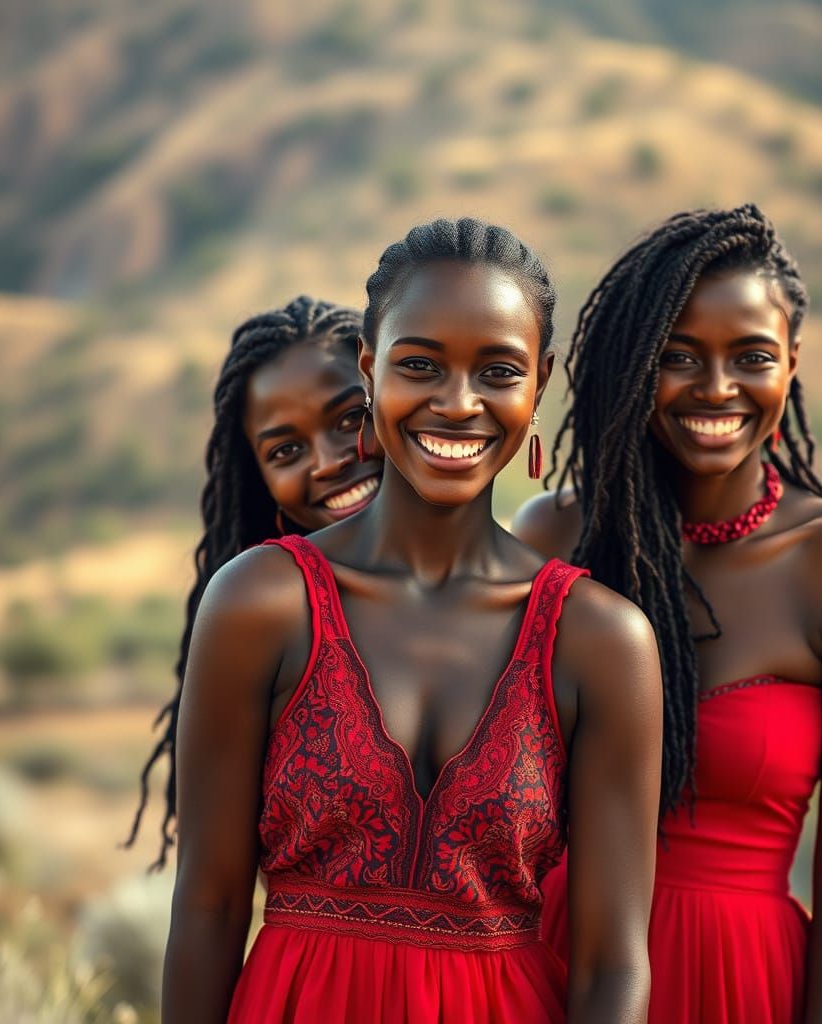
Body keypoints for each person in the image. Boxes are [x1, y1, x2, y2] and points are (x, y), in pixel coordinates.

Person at [162, 218, 663, 1024]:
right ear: (369, 370)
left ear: (540, 382)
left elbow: (612, 963)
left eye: (496, 371)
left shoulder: (601, 641)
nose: (457, 402)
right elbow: (208, 911)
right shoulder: (260, 601)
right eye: (420, 365)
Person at [515, 205, 822, 1023]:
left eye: (752, 357)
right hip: (555, 968)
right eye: (678, 357)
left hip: (749, 984)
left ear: (792, 364)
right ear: (634, 366)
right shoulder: (556, 535)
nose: (717, 388)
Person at [126, 296, 382, 867]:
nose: (329, 461)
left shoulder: (529, 595)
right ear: (258, 479)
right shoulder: (261, 624)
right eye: (286, 450)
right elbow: (212, 897)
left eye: (351, 419)